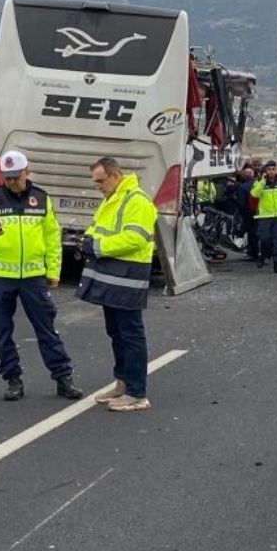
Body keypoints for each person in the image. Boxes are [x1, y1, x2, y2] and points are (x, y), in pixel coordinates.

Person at [0, 150, 83, 402]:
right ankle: (13, 379)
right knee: (1, 330)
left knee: (47, 328)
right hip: (1, 276)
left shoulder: (41, 199)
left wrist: (53, 272)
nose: (11, 182)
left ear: (27, 172)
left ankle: (63, 378)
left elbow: (52, 239)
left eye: (16, 177)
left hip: (33, 276)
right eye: (7, 177)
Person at [77, 157, 157, 413]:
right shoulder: (111, 199)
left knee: (130, 333)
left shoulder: (137, 201)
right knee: (116, 332)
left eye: (100, 181)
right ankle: (123, 383)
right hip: (112, 275)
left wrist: (97, 247)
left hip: (129, 275)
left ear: (114, 175)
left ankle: (137, 392)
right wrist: (88, 240)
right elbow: (96, 227)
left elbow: (136, 238)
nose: (97, 186)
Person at [250, 160, 277, 273]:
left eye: (273, 169)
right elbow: (254, 194)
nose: (271, 172)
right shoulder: (259, 182)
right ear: (265, 171)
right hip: (265, 216)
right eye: (269, 170)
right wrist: (262, 183)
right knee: (264, 239)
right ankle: (263, 255)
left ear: (276, 170)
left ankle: (276, 264)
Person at [236, 166, 259, 260]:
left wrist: (242, 213)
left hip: (248, 213)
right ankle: (259, 252)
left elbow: (241, 203)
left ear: (245, 176)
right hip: (260, 212)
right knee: (258, 232)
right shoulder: (258, 185)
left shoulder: (243, 187)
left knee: (251, 233)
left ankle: (253, 253)